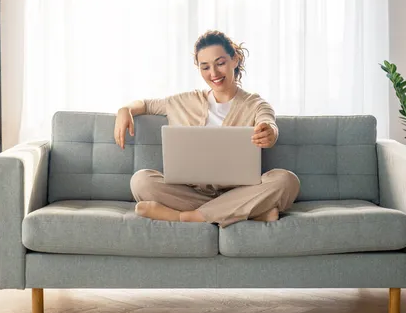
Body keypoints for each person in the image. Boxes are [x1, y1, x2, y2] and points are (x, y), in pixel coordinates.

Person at [114, 30, 300, 227]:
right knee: (141, 181)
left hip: (240, 192)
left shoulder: (256, 104)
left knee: (286, 181)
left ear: (234, 60)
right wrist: (125, 109)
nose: (214, 74)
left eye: (220, 63)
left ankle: (186, 217)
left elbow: (268, 122)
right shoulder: (185, 101)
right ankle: (246, 214)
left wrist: (269, 132)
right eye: (205, 67)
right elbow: (146, 104)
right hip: (191, 192)